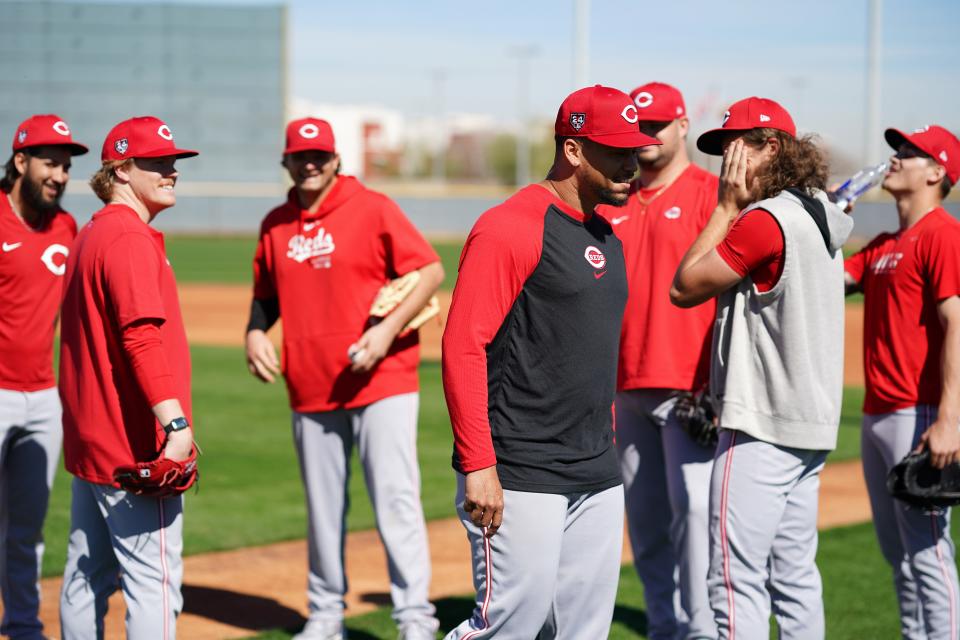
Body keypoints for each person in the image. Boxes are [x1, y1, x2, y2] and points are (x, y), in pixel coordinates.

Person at [441, 85, 660, 639]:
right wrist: (478, 463)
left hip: (596, 468)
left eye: (636, 150)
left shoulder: (605, 234)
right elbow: (463, 344)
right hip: (520, 469)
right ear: (574, 151)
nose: (632, 164)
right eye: (617, 151)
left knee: (583, 632)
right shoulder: (511, 225)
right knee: (508, 627)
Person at [244, 117, 443, 640]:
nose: (310, 163)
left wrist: (386, 333)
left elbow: (429, 271)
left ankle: (414, 617)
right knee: (323, 507)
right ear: (285, 162)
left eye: (319, 155)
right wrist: (254, 332)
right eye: (299, 156)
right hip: (311, 382)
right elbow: (265, 296)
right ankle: (326, 614)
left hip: (384, 379)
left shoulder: (373, 207)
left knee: (395, 498)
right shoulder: (275, 224)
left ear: (336, 160)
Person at [670, 97, 853, 639]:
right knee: (795, 577)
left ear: (771, 147)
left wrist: (726, 208)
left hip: (761, 427)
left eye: (735, 147)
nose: (726, 160)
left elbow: (683, 287)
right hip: (810, 425)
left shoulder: (764, 220)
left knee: (734, 580)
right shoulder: (821, 212)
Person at [58, 116, 198, 639]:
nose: (171, 171)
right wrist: (175, 423)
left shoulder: (91, 234)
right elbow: (141, 339)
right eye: (157, 162)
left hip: (92, 441)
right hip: (133, 442)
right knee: (153, 581)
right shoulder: (129, 239)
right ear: (119, 170)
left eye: (173, 161)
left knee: (84, 575)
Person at [601, 82, 719, 640]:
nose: (645, 137)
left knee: (695, 514)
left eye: (656, 125)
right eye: (637, 127)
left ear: (681, 127)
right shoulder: (613, 200)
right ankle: (663, 625)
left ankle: (702, 628)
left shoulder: (711, 195)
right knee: (645, 523)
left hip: (690, 385)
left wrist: (722, 381)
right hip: (624, 384)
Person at [844, 124, 960, 640]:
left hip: (921, 412)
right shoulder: (888, 243)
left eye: (910, 153)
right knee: (899, 556)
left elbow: (958, 324)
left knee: (928, 554)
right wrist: (828, 221)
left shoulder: (943, 234)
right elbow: (831, 282)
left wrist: (951, 421)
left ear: (937, 172)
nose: (896, 158)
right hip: (877, 412)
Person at [0, 114, 86, 639]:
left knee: (27, 530)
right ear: (20, 162)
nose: (59, 174)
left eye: (66, 166)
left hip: (43, 398)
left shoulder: (67, 227)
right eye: (50, 163)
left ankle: (25, 625)